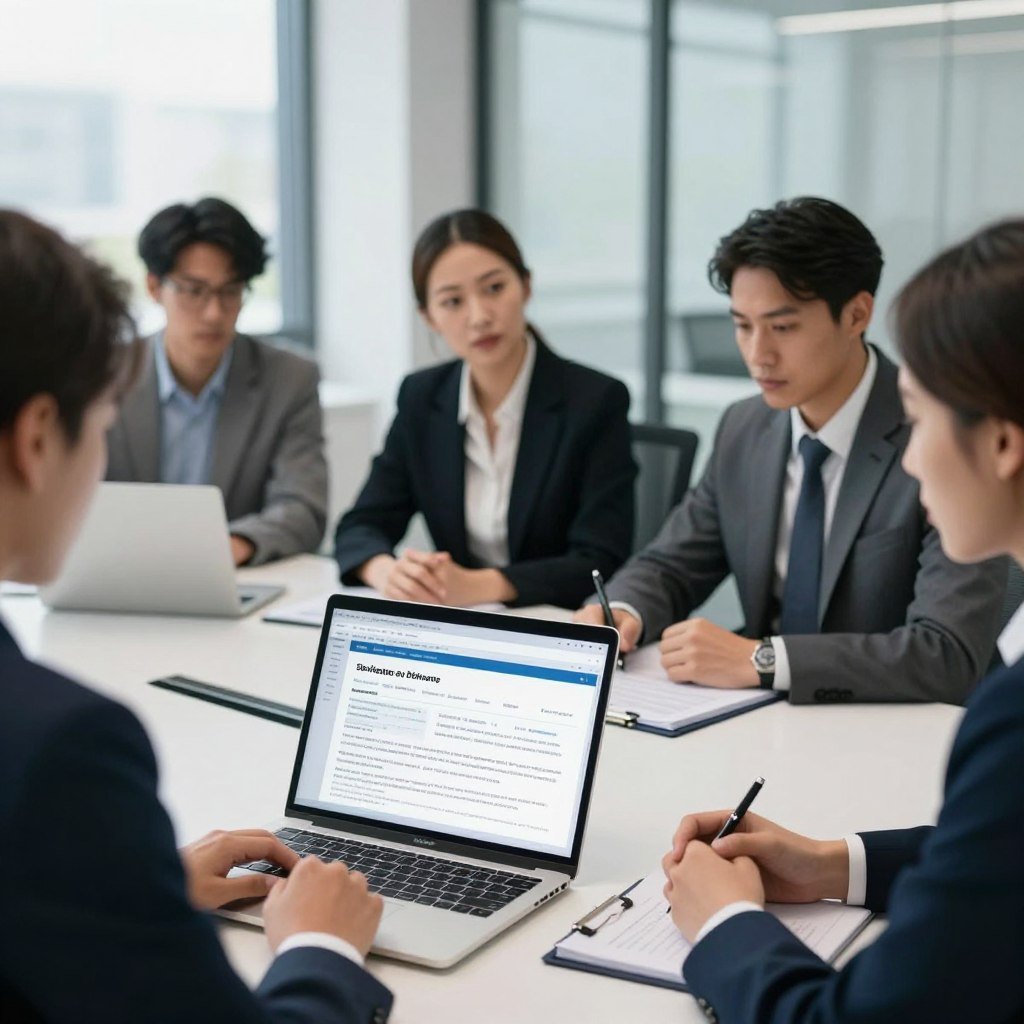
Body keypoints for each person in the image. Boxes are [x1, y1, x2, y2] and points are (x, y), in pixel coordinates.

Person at [0, 209, 391, 1023]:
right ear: (39, 438)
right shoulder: (62, 749)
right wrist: (321, 945)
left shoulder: (282, 377)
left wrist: (130, 878)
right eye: (100, 427)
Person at [661, 218, 1024, 1023]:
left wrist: (725, 923)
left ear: (1000, 442)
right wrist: (835, 863)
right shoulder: (744, 428)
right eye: (743, 325)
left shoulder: (1011, 720)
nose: (915, 456)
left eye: (924, 420)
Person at [576, 197, 1005, 703]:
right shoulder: (745, 426)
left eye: (782, 327)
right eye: (741, 325)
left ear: (856, 314)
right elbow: (672, 563)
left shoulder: (934, 436)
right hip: (758, 721)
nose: (758, 355)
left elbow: (946, 653)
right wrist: (623, 609)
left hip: (889, 729)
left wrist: (761, 660)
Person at [334, 208, 636, 608]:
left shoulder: (595, 401)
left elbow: (600, 560)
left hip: (560, 627)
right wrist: (386, 571)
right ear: (429, 317)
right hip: (464, 630)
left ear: (525, 287)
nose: (479, 317)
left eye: (494, 288)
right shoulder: (421, 398)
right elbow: (361, 524)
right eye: (453, 301)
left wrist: (481, 586)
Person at [106, 197, 328, 566]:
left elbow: (303, 508)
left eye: (230, 291)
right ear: (154, 286)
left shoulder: (289, 379)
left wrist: (230, 547)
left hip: (234, 577)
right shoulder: (104, 375)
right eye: (194, 291)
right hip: (119, 572)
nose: (214, 313)